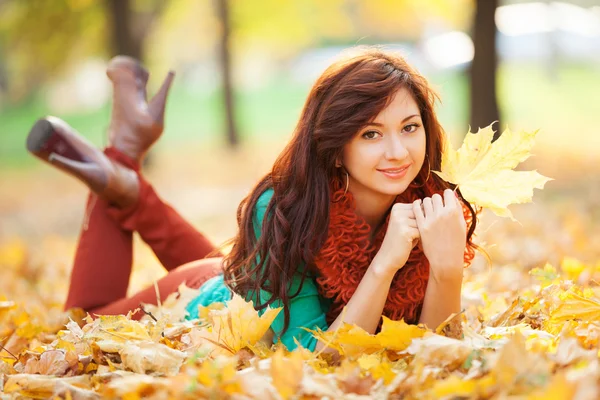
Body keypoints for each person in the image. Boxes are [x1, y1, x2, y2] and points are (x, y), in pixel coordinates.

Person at [26, 48, 477, 354]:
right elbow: (316, 360)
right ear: (336, 144)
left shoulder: (434, 205)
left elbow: (433, 348)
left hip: (256, 274)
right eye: (371, 134)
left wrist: (447, 267)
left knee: (249, 261)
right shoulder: (284, 210)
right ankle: (119, 170)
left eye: (409, 127)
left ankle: (124, 168)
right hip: (205, 300)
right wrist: (384, 264)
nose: (398, 152)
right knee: (80, 326)